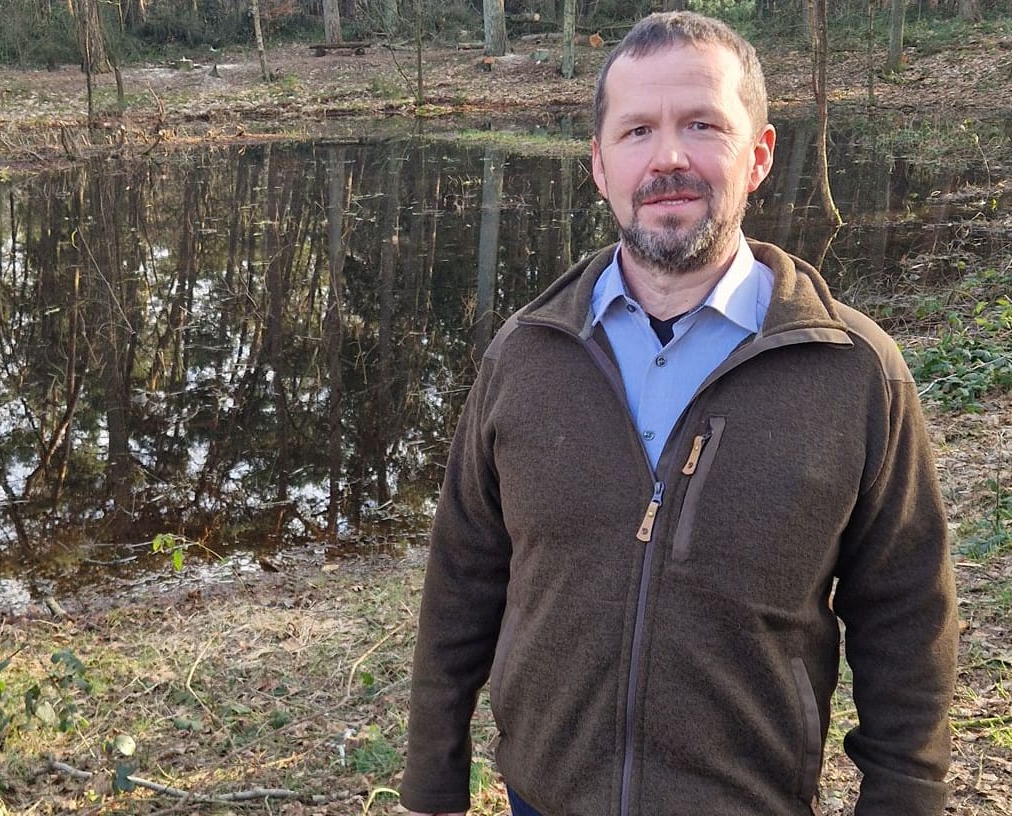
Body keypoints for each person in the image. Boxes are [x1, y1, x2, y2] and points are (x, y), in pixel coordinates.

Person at [400, 11, 958, 816]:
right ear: (598, 164)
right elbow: (461, 583)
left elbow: (907, 620)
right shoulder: (523, 358)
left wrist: (904, 799)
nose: (667, 157)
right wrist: (430, 784)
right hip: (542, 800)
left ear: (758, 155)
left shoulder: (854, 373)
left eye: (702, 125)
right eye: (635, 132)